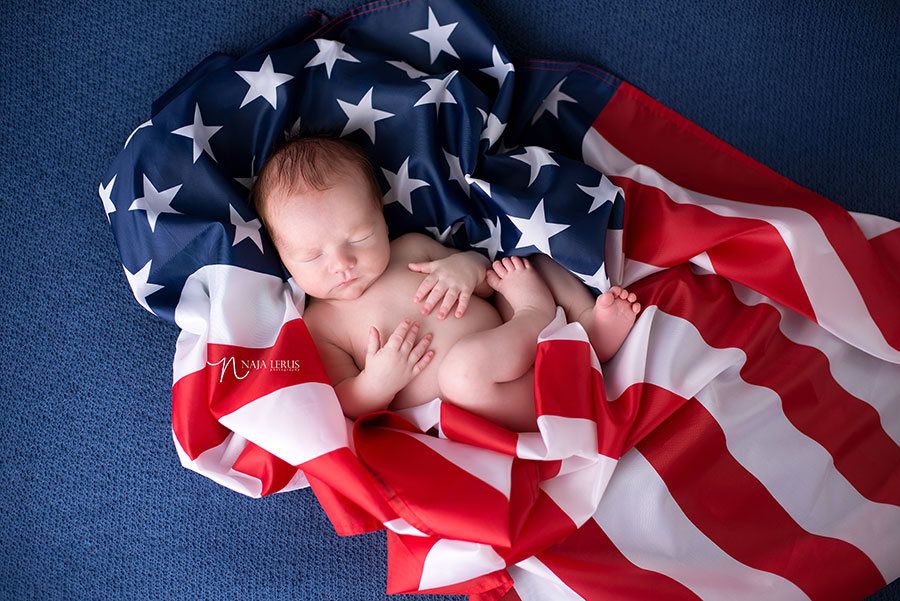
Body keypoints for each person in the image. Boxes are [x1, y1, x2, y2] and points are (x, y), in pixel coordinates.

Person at [249, 135, 640, 432]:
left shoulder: (409, 249)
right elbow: (344, 400)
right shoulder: (321, 325)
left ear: (382, 221)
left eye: (358, 238)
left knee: (522, 264)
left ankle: (587, 328)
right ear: (282, 258)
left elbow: (486, 283)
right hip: (493, 399)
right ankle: (546, 328)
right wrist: (377, 382)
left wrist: (465, 268)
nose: (342, 264)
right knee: (462, 373)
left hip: (505, 331)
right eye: (312, 256)